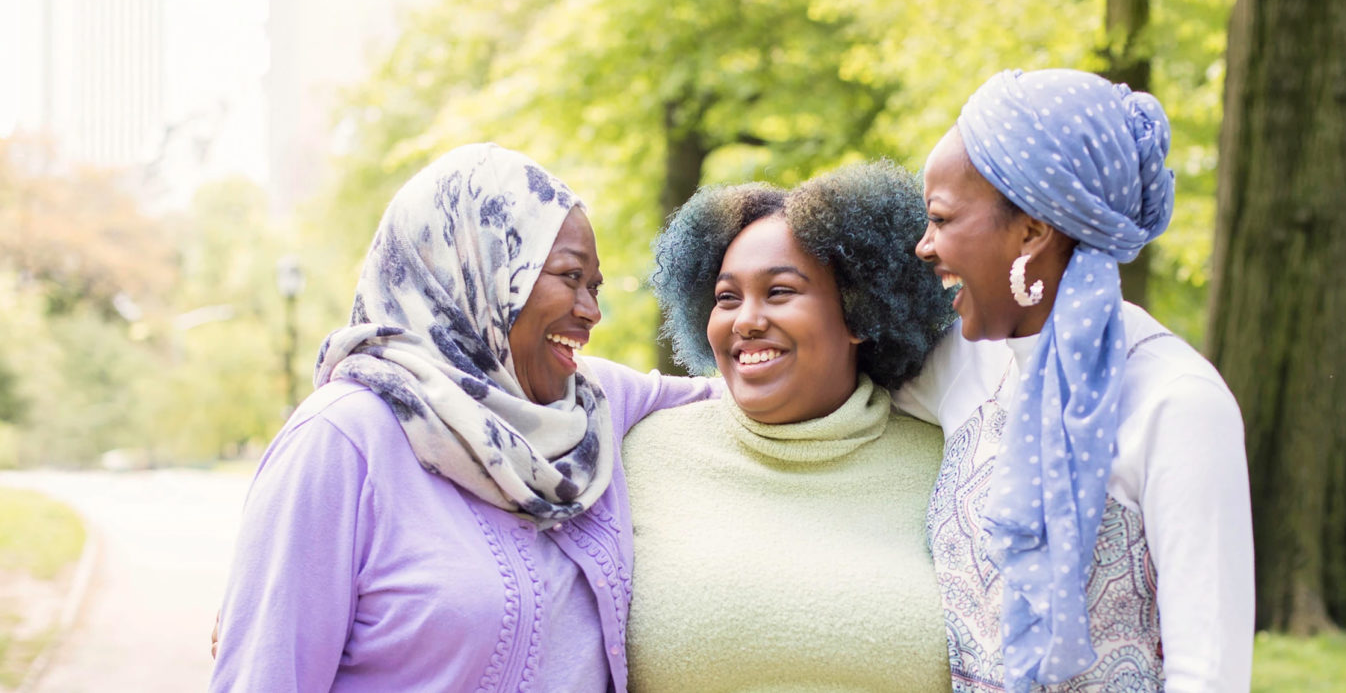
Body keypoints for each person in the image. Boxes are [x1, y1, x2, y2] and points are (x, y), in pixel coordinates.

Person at [210, 144, 713, 692]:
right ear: (478, 270)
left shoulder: (593, 405)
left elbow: (756, 396)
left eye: (594, 287)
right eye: (569, 277)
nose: (591, 311)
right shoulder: (342, 440)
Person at [895, 69, 1254, 692]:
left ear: (1032, 231)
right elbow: (828, 389)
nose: (923, 247)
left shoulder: (1179, 404)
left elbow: (1210, 674)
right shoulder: (965, 362)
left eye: (942, 219)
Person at [621, 162, 957, 691]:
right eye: (726, 298)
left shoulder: (948, 467)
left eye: (779, 292)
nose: (745, 320)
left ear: (859, 314)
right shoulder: (644, 457)